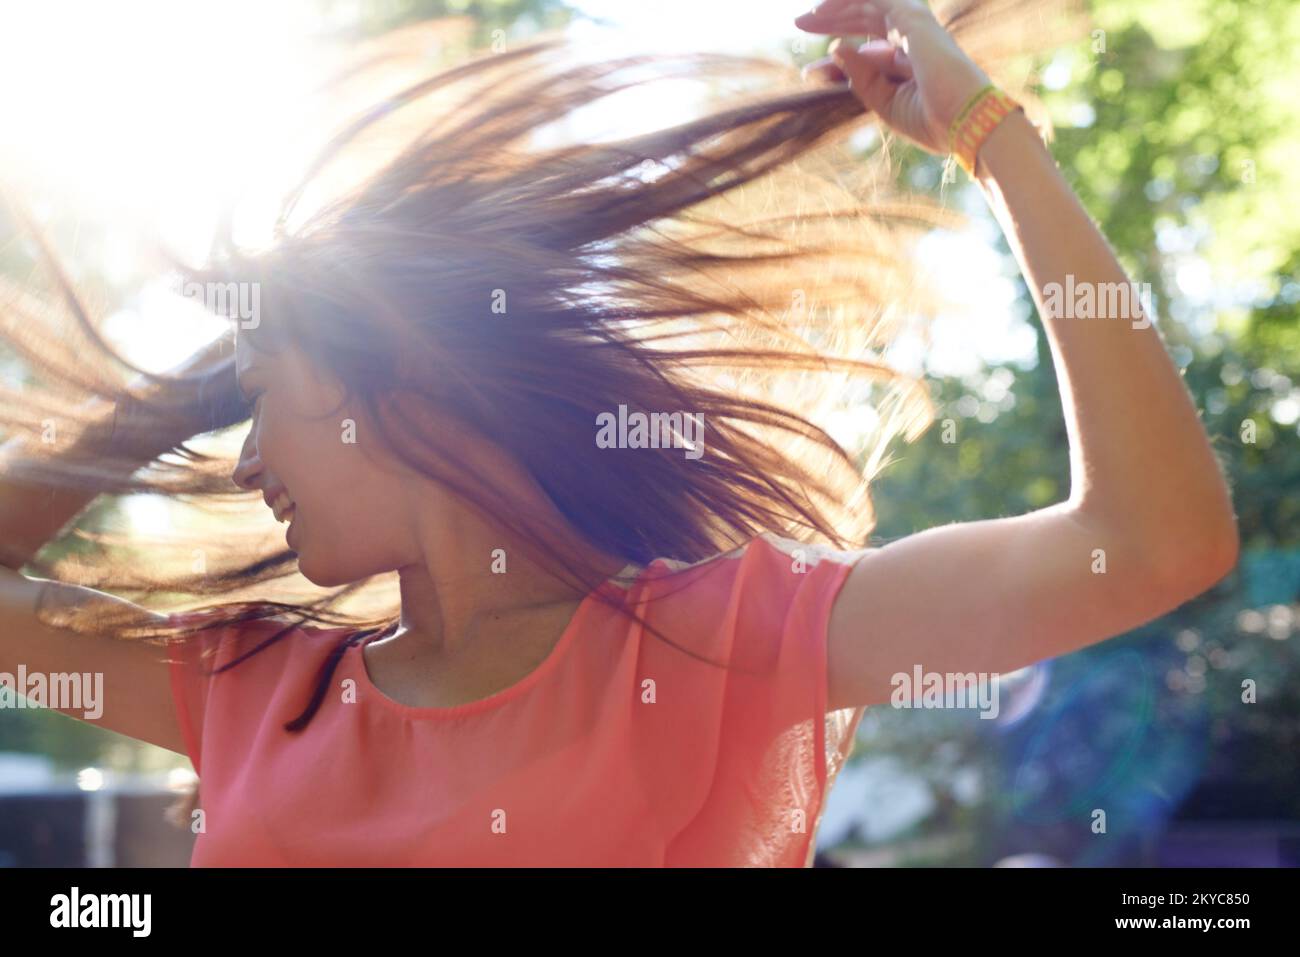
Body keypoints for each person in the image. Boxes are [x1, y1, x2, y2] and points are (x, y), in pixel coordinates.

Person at [0, 0, 1237, 866]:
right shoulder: (259, 690)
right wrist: (208, 376)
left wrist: (989, 137)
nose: (241, 455)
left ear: (387, 387)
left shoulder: (716, 651)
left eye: (253, 400)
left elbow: (1147, 541)